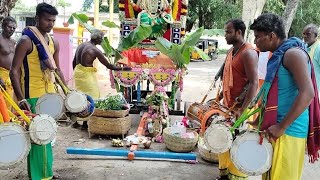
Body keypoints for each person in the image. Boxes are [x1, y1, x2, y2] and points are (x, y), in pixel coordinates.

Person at [249, 13, 319, 180]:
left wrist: (282, 126)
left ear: (271, 36)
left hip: (289, 131)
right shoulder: (279, 55)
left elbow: (308, 93)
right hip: (277, 129)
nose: (255, 42)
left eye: (258, 37)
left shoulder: (292, 54)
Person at [10, 3, 66, 180]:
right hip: (32, 95)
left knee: (47, 135)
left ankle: (46, 172)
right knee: (36, 137)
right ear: (37, 19)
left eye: (53, 20)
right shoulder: (26, 41)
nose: (50, 23)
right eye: (46, 19)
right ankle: (38, 176)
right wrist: (20, 99)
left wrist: (68, 91)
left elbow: (56, 69)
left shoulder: (53, 41)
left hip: (49, 95)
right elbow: (14, 70)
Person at [217, 19, 259, 180]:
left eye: (228, 31)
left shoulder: (248, 52)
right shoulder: (231, 51)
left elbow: (253, 82)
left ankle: (236, 177)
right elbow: (228, 76)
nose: (225, 35)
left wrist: (242, 110)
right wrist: (221, 96)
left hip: (242, 108)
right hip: (228, 106)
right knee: (223, 140)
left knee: (239, 144)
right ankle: (224, 174)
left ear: (239, 33)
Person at [72, 29, 131, 129]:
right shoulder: (95, 50)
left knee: (79, 96)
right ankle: (85, 123)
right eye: (102, 39)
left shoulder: (81, 45)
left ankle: (75, 121)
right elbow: (109, 65)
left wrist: (76, 73)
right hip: (86, 75)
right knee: (92, 97)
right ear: (98, 39)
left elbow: (74, 61)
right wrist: (123, 68)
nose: (102, 41)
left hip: (78, 72)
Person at [0, 16, 17, 109]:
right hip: (1, 75)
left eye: (14, 28)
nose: (12, 30)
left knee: (9, 104)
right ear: (3, 26)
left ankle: (7, 122)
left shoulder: (13, 42)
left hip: (10, 76)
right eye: (9, 27)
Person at [302, 24, 320, 97]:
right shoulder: (304, 46)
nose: (305, 36)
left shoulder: (318, 49)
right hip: (304, 89)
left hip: (315, 91)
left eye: (308, 34)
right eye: (304, 34)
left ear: (315, 36)